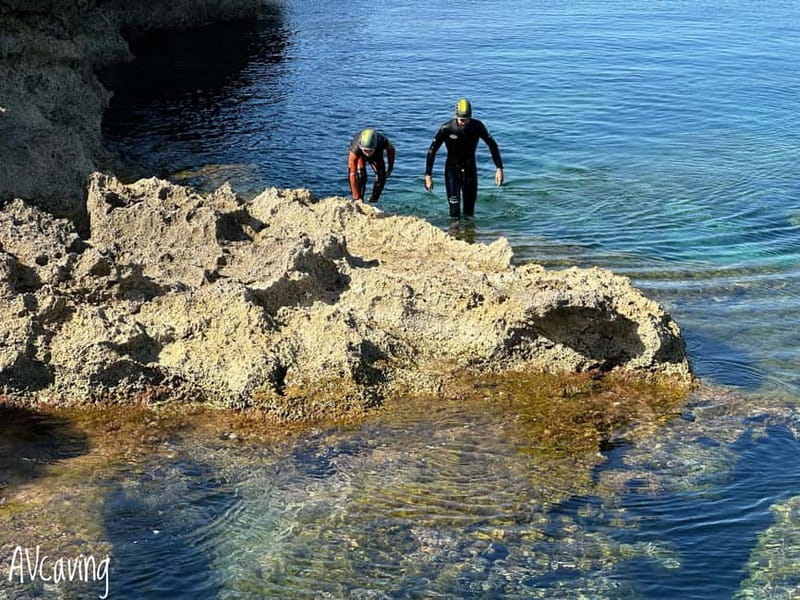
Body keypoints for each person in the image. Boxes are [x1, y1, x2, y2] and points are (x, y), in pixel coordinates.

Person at [424, 98, 504, 218]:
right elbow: (432, 150)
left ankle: (470, 235)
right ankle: (454, 234)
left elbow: (492, 144)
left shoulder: (477, 126)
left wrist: (499, 168)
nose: (464, 123)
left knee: (469, 212)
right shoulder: (447, 128)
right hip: (452, 172)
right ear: (455, 116)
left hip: (470, 171)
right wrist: (428, 175)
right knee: (454, 213)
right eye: (461, 120)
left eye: (466, 120)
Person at [348, 128, 395, 203]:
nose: (367, 153)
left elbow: (391, 150)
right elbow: (352, 174)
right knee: (361, 175)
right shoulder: (355, 150)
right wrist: (356, 197)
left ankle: (373, 201)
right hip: (360, 156)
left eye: (369, 151)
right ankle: (359, 200)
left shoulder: (381, 141)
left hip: (376, 155)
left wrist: (390, 168)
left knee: (381, 176)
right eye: (365, 150)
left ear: (375, 147)